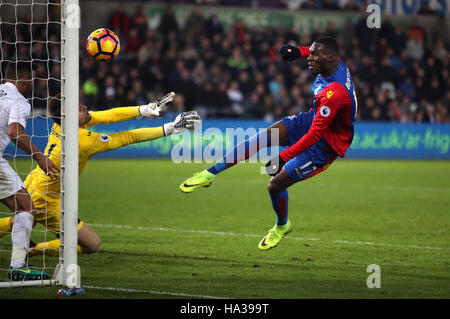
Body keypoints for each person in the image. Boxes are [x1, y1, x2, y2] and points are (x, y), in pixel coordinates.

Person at [180, 37, 357, 251]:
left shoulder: (335, 93)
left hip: (325, 144)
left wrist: (283, 157)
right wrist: (296, 51)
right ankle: (209, 174)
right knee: (262, 138)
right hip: (314, 119)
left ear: (329, 58)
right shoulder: (333, 64)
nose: (309, 58)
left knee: (274, 185)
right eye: (309, 53)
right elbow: (318, 53)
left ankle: (282, 226)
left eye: (313, 55)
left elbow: (315, 135)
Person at [0, 92, 200, 257]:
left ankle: (28, 246)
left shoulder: (63, 123)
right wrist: (171, 128)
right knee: (91, 245)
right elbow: (128, 137)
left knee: (22, 220)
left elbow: (109, 115)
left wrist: (145, 109)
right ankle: (34, 251)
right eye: (80, 108)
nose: (85, 108)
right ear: (69, 116)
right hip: (46, 198)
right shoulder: (83, 140)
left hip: (36, 181)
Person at [0, 61, 59, 280]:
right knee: (26, 208)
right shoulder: (19, 100)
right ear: (24, 80)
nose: (33, 83)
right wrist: (39, 157)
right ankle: (17, 267)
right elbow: (14, 131)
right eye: (32, 79)